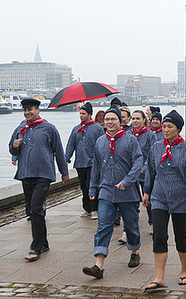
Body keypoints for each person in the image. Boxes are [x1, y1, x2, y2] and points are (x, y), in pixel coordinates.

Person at [142, 110, 186, 291]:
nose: (165, 130)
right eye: (164, 126)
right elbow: (150, 170)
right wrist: (146, 192)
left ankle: (184, 271)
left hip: (181, 197)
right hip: (159, 196)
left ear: (178, 129)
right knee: (159, 234)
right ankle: (159, 277)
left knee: (180, 235)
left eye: (170, 127)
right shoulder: (156, 147)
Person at [82, 106, 143, 279]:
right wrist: (93, 188)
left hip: (127, 192)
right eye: (107, 119)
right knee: (103, 226)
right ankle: (98, 266)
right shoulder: (100, 141)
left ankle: (134, 251)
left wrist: (127, 181)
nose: (109, 122)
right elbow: (96, 166)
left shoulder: (130, 140)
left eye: (113, 119)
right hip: (106, 191)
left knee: (130, 225)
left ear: (120, 121)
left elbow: (138, 163)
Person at [9, 98, 69, 262]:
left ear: (37, 110)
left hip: (43, 174)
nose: (27, 113)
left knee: (36, 208)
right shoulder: (21, 128)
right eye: (25, 110)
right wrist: (14, 145)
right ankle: (44, 242)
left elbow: (58, 150)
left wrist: (64, 172)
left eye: (30, 110)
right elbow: (12, 149)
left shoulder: (49, 128)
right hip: (25, 174)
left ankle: (35, 247)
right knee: (33, 210)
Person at [65, 102, 105, 220]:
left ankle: (94, 209)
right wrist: (66, 158)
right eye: (80, 113)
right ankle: (87, 208)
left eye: (83, 113)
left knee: (91, 185)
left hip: (93, 163)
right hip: (80, 163)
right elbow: (70, 145)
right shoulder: (76, 129)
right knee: (83, 186)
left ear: (90, 114)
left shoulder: (98, 129)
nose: (81, 116)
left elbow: (103, 145)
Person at [131, 109, 157, 234]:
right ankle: (129, 229)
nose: (135, 121)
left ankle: (153, 223)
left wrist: (145, 168)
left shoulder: (150, 134)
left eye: (138, 118)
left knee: (148, 198)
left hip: (145, 173)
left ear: (144, 120)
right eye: (133, 118)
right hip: (131, 174)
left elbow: (152, 154)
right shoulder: (128, 134)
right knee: (131, 201)